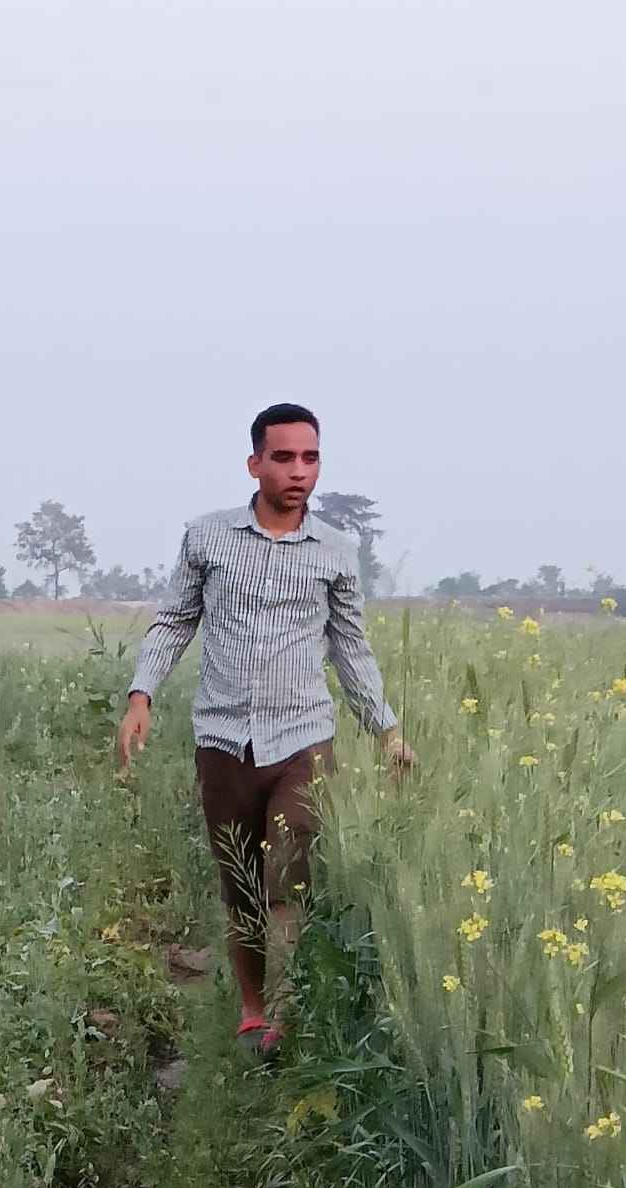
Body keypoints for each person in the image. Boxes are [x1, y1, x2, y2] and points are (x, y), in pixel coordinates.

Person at [116, 402, 413, 1062]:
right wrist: (142, 694)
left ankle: (285, 1010)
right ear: (255, 464)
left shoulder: (335, 552)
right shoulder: (207, 539)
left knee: (287, 878)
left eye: (310, 458)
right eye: (283, 457)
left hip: (303, 739)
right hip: (223, 740)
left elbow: (350, 646)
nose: (298, 471)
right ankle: (252, 1009)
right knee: (241, 886)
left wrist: (386, 731)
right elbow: (175, 621)